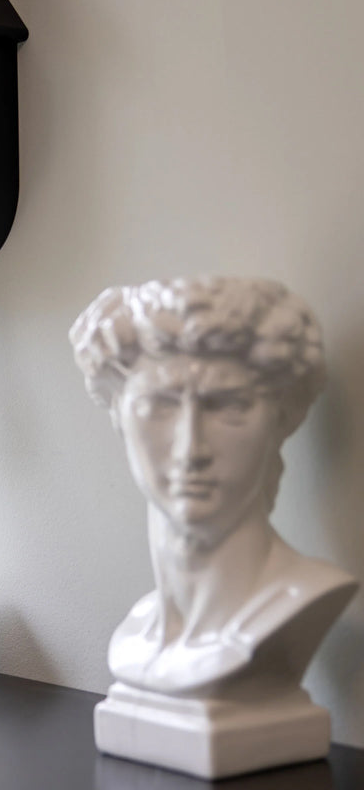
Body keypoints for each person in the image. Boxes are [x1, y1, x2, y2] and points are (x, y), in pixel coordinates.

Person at [70, 276, 357, 697]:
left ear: (280, 418)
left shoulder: (303, 599)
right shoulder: (136, 633)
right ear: (118, 412)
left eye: (229, 406)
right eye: (159, 405)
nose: (191, 449)